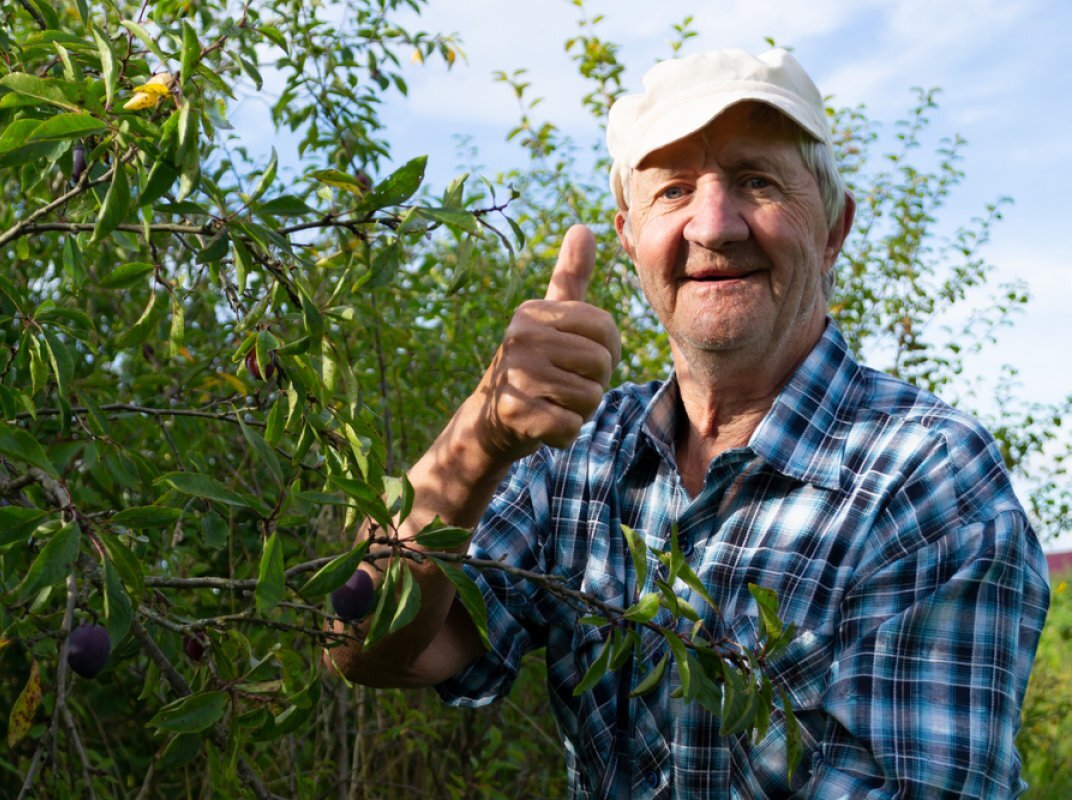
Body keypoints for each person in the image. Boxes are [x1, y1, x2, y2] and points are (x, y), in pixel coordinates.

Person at [326, 48, 1050, 798]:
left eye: (757, 181)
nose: (714, 225)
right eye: (673, 191)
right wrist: (479, 436)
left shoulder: (927, 476)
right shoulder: (578, 457)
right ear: (630, 238)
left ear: (834, 227)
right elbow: (367, 646)